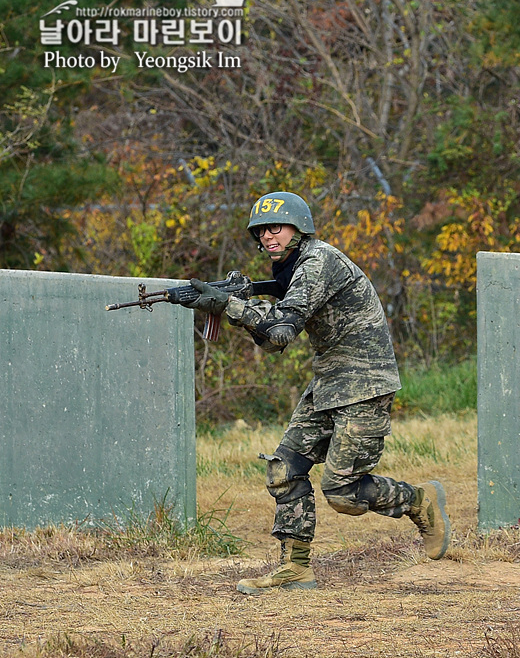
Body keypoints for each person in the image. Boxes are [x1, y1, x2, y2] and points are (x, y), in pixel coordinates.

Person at [185, 191, 451, 594]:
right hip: (329, 380)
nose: (268, 237)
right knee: (284, 470)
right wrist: (233, 299)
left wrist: (229, 306)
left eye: (276, 227)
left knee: (342, 492)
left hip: (365, 382)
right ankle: (295, 568)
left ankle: (419, 501)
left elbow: (281, 331)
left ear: (299, 227)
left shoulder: (317, 260)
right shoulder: (289, 269)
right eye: (261, 231)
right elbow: (273, 337)